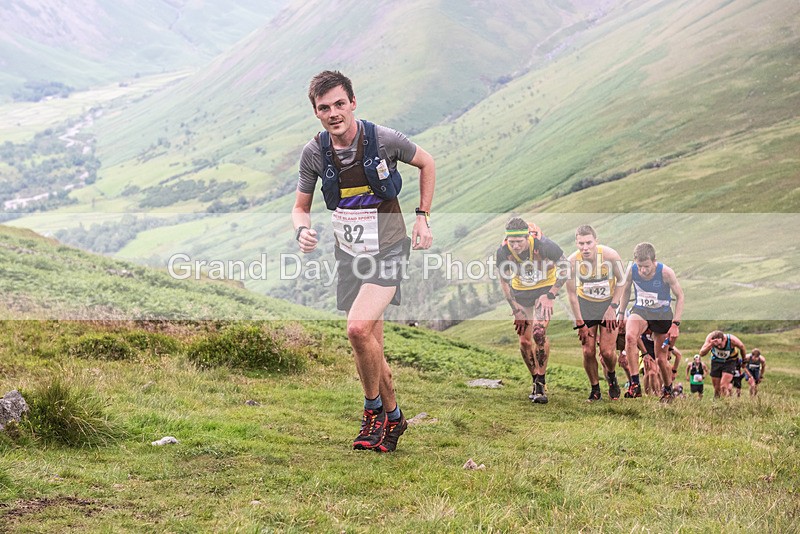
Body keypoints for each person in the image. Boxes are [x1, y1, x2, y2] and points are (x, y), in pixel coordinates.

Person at [293, 70, 435, 452]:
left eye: (340, 104)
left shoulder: (383, 139)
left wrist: (422, 217)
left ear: (353, 103)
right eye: (324, 108)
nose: (333, 113)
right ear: (316, 112)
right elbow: (300, 208)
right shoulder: (314, 153)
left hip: (388, 250)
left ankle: (373, 410)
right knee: (370, 346)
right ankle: (394, 418)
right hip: (349, 255)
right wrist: (301, 230)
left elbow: (427, 162)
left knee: (357, 329)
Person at [497, 217, 567, 404]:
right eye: (512, 242)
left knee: (539, 333)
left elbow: (565, 266)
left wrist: (551, 295)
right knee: (524, 341)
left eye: (519, 241)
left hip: (544, 288)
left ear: (527, 236)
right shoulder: (503, 251)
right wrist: (516, 310)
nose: (516, 246)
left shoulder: (544, 245)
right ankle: (535, 378)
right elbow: (504, 282)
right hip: (521, 291)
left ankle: (541, 384)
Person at [565, 225, 625, 402]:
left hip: (608, 304)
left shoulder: (610, 256)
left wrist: (613, 307)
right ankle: (595, 389)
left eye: (588, 243)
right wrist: (580, 323)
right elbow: (571, 294)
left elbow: (621, 280)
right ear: (576, 243)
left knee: (607, 352)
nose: (585, 248)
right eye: (581, 243)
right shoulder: (572, 262)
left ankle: (611, 377)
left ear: (596, 242)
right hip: (586, 305)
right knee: (588, 351)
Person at [619, 242, 685, 401]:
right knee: (630, 337)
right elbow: (626, 290)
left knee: (661, 359)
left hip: (662, 315)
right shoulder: (632, 270)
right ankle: (635, 384)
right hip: (641, 310)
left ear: (654, 261)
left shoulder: (666, 272)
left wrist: (675, 324)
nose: (643, 270)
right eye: (640, 266)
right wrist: (621, 314)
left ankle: (668, 390)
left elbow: (680, 296)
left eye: (647, 266)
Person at [699, 330, 747, 398]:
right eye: (716, 345)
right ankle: (717, 401)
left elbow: (742, 347)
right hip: (716, 361)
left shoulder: (732, 340)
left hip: (730, 361)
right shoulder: (710, 338)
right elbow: (701, 353)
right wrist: (710, 345)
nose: (718, 347)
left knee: (723, 386)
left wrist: (744, 361)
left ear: (724, 339)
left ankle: (726, 402)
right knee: (717, 388)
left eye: (720, 344)